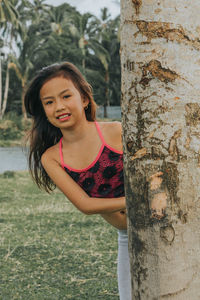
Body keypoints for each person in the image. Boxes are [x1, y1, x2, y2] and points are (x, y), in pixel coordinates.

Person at [24, 62, 132, 299]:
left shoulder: (116, 131)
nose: (59, 106)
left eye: (66, 96)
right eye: (49, 102)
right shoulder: (52, 158)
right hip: (127, 236)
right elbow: (85, 205)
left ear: (84, 98)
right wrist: (135, 201)